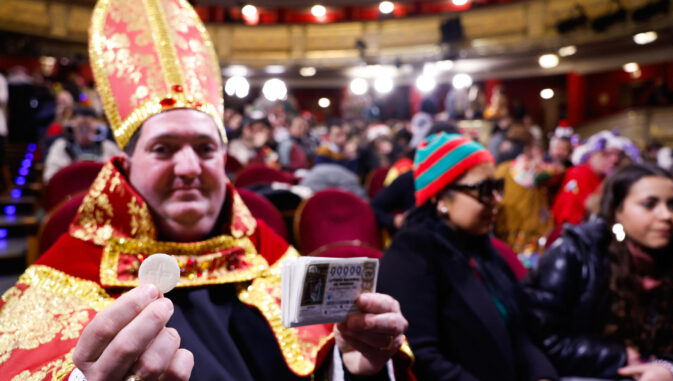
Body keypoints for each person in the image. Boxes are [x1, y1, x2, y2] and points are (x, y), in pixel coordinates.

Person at [0, 1, 411, 380]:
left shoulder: (267, 257)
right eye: (164, 149)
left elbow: (325, 359)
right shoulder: (68, 274)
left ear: (224, 159)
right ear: (124, 166)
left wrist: (354, 366)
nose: (189, 168)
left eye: (205, 148)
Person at [378, 132, 557, 381]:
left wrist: (542, 376)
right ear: (441, 197)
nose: (496, 201)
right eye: (484, 190)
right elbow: (423, 359)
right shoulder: (410, 254)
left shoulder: (481, 247)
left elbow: (518, 334)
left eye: (497, 188)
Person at [524, 163, 673, 380]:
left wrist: (669, 368)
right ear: (617, 210)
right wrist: (620, 356)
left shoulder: (671, 258)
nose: (666, 215)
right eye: (649, 204)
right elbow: (540, 339)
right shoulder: (576, 253)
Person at [552, 130, 639, 226]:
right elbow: (568, 216)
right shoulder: (579, 173)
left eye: (619, 155)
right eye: (606, 154)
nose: (615, 160)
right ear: (591, 155)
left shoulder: (606, 176)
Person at [43, 106, 121, 182]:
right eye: (81, 128)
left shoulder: (108, 148)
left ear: (96, 129)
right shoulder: (61, 147)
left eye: (88, 128)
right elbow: (50, 178)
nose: (84, 133)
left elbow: (120, 176)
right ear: (73, 128)